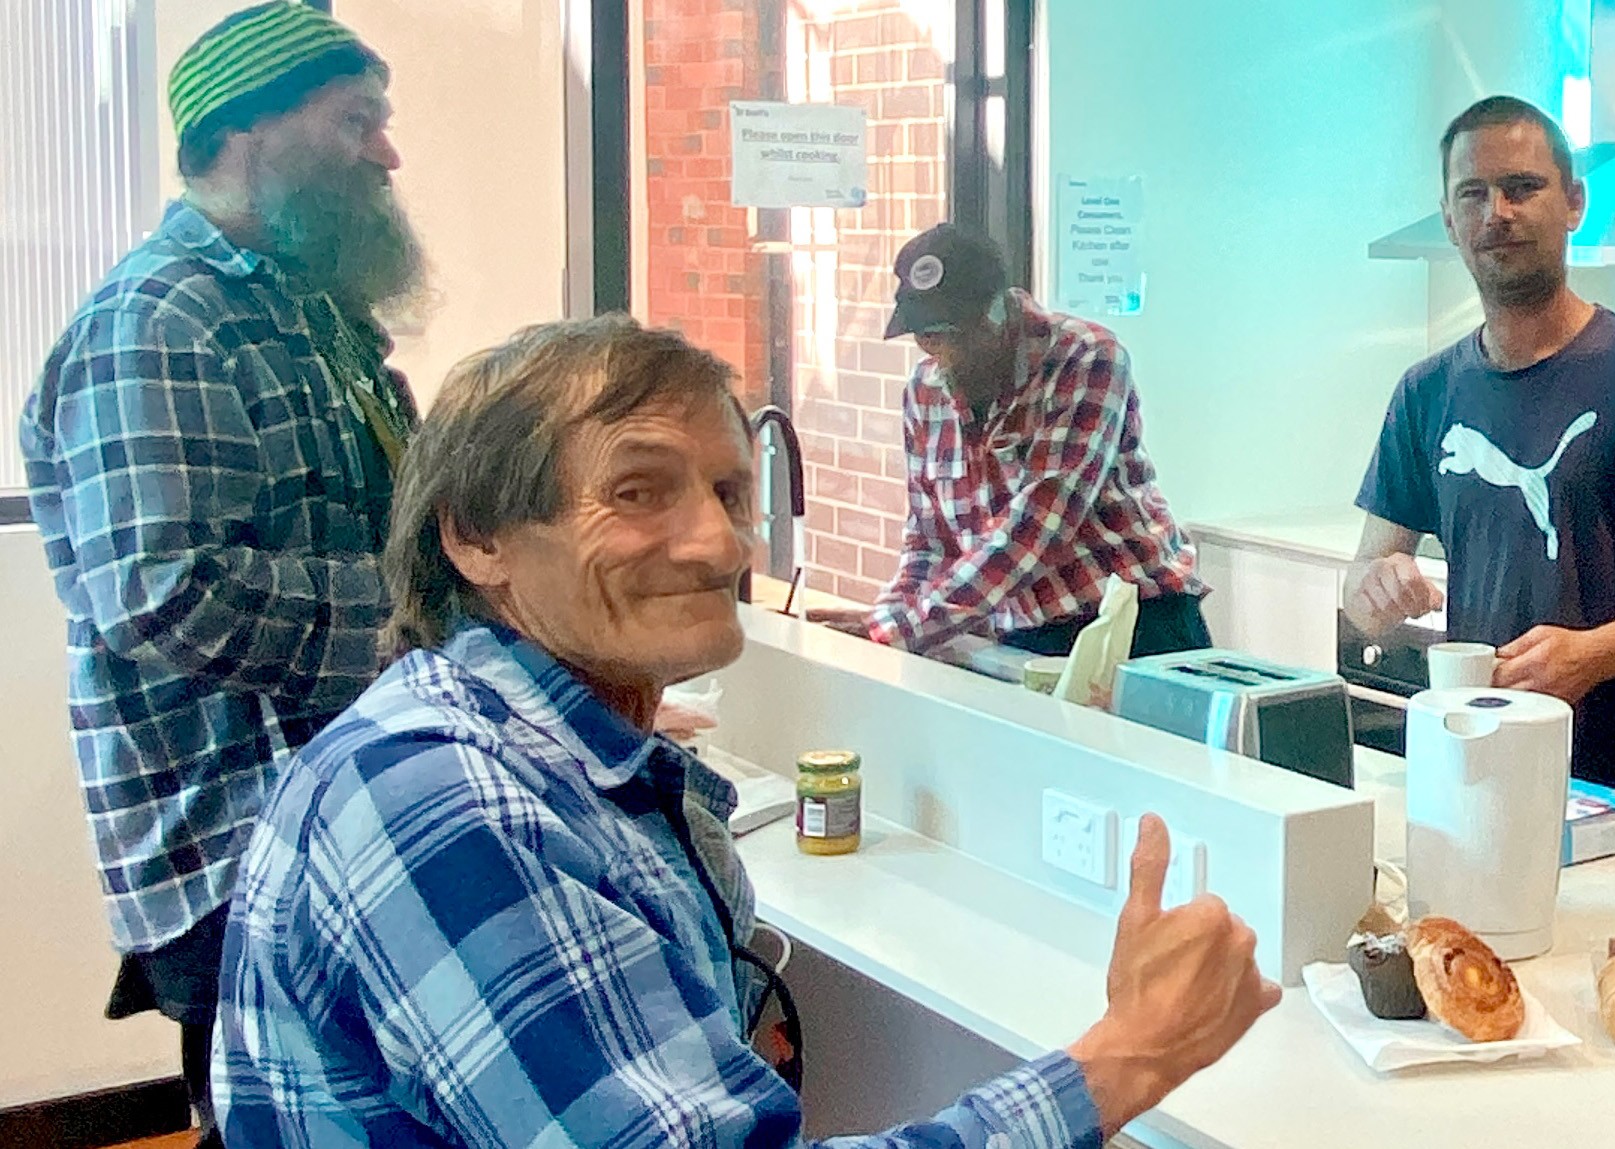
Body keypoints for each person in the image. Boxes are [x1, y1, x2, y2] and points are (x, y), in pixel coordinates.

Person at [213, 316, 1280, 1148]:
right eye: (640, 493)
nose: (719, 541)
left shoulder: (520, 745)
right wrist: (1127, 1059)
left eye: (729, 490)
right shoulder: (452, 804)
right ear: (478, 537)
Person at [18, 4, 419, 1140]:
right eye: (356, 121)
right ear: (240, 138)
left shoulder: (309, 313)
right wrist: (424, 620)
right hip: (236, 845)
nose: (386, 153)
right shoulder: (158, 321)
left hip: (336, 805)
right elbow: (167, 594)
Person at [1344, 96, 1615, 841]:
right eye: (1472, 194)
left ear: (1574, 202)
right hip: (1480, 790)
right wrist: (1376, 587)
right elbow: (1364, 579)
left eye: (1522, 187)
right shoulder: (1426, 391)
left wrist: (1592, 656)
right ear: (1449, 220)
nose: (1496, 212)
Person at [805, 225, 1211, 659]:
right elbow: (928, 538)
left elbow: (1039, 524)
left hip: (1136, 624)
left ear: (997, 310)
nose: (938, 354)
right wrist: (888, 621)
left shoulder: (1086, 357)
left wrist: (908, 628)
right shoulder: (924, 389)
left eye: (950, 334)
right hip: (1021, 633)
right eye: (925, 336)